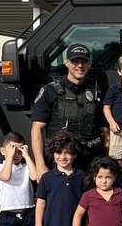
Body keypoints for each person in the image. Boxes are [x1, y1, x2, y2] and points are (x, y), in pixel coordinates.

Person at [31, 42, 104, 170]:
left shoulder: (95, 92)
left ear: (89, 64)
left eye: (84, 61)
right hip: (59, 164)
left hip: (88, 163)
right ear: (67, 63)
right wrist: (40, 165)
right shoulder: (50, 91)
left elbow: (104, 129)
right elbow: (37, 129)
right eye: (75, 61)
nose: (80, 65)